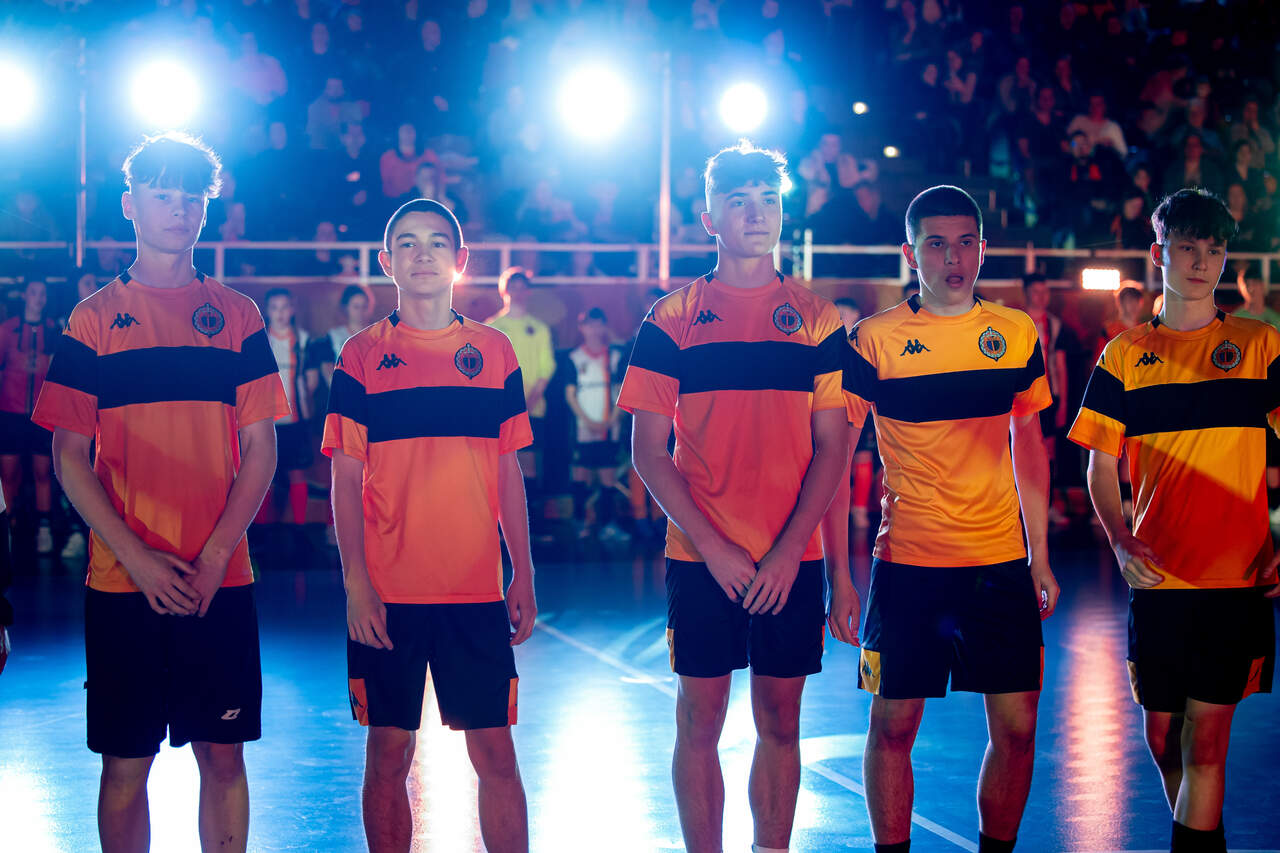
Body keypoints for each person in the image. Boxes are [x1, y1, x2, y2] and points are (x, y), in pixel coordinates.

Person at [32, 131, 287, 852]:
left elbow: (261, 450)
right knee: (124, 765)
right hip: (124, 580)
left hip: (220, 579)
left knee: (224, 758)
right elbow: (69, 455)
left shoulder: (238, 315)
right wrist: (139, 560)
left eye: (192, 197)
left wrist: (215, 556)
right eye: (163, 194)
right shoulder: (92, 319)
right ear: (130, 205)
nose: (179, 209)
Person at [618, 141, 849, 853]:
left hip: (790, 558)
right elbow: (648, 452)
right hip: (702, 557)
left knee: (781, 722)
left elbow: (833, 447)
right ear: (709, 217)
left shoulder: (818, 318)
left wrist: (789, 551)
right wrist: (714, 547)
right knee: (700, 721)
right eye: (739, 201)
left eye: (769, 200)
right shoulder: (671, 318)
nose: (757, 214)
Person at [842, 185, 1059, 853]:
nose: (953, 257)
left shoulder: (1015, 332)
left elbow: (1029, 444)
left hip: (1000, 563)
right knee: (893, 726)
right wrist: (836, 576)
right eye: (936, 244)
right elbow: (830, 458)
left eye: (966, 243)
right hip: (909, 564)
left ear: (983, 249)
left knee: (1018, 727)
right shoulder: (873, 339)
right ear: (911, 254)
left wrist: (1040, 554)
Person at [1069, 188, 1277, 853]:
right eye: (1188, 247)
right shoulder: (1124, 355)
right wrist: (1119, 537)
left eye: (1214, 249)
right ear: (1160, 254)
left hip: (1236, 579)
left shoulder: (1260, 345)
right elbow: (1099, 467)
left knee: (1205, 743)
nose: (1202, 261)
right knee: (1164, 740)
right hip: (1157, 579)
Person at [324, 198, 535, 853]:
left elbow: (508, 471)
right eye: (408, 244)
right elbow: (346, 480)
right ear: (386, 262)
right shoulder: (360, 355)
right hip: (388, 595)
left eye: (437, 242)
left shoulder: (494, 351)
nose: (423, 254)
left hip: (474, 592)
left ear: (460, 260)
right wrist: (357, 583)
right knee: (388, 754)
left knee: (496, 754)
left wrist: (523, 572)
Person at [0, 277, 59, 554]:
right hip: (10, 413)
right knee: (8, 474)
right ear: (24, 295)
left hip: (41, 414)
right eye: (33, 292)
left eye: (42, 293)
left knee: (42, 472)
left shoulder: (53, 330)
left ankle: (44, 529)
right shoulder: (7, 330)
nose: (38, 297)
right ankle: (9, 528)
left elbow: (59, 373)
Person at [486, 267, 555, 485]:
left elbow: (547, 367)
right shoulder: (491, 328)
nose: (517, 292)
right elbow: (488, 371)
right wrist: (506, 403)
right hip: (501, 409)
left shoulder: (539, 328)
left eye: (522, 288)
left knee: (528, 464)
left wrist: (531, 400)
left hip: (533, 407)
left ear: (528, 292)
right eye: (513, 287)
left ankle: (529, 508)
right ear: (503, 291)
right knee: (502, 464)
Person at [565, 307, 626, 540]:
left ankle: (609, 525)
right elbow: (570, 395)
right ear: (582, 328)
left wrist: (613, 419)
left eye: (598, 324)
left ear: (604, 326)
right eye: (589, 324)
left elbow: (622, 390)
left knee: (608, 475)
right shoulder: (574, 358)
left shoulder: (615, 357)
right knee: (580, 473)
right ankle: (580, 522)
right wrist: (587, 420)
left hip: (609, 427)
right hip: (583, 427)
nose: (594, 329)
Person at [263, 288, 313, 528]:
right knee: (263, 475)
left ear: (292, 309)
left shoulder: (303, 340)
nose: (280, 313)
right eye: (275, 308)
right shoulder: (261, 340)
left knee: (296, 472)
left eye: (284, 307)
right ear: (267, 311)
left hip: (295, 419)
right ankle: (260, 532)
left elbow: (311, 381)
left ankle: (299, 528)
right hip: (265, 420)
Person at [1234, 268, 1280, 528]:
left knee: (1272, 450)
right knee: (1247, 453)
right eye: (1246, 284)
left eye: (1255, 283)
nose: (1252, 289)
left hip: (1272, 395)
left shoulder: (1275, 320)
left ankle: (1274, 506)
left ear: (1263, 286)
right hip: (1246, 397)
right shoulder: (1236, 320)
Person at [834, 297, 877, 531]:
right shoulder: (826, 342)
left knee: (861, 457)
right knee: (834, 459)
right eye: (838, 314)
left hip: (861, 409)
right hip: (832, 408)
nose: (841, 318)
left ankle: (859, 509)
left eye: (845, 314)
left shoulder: (864, 342)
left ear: (855, 315)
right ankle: (835, 512)